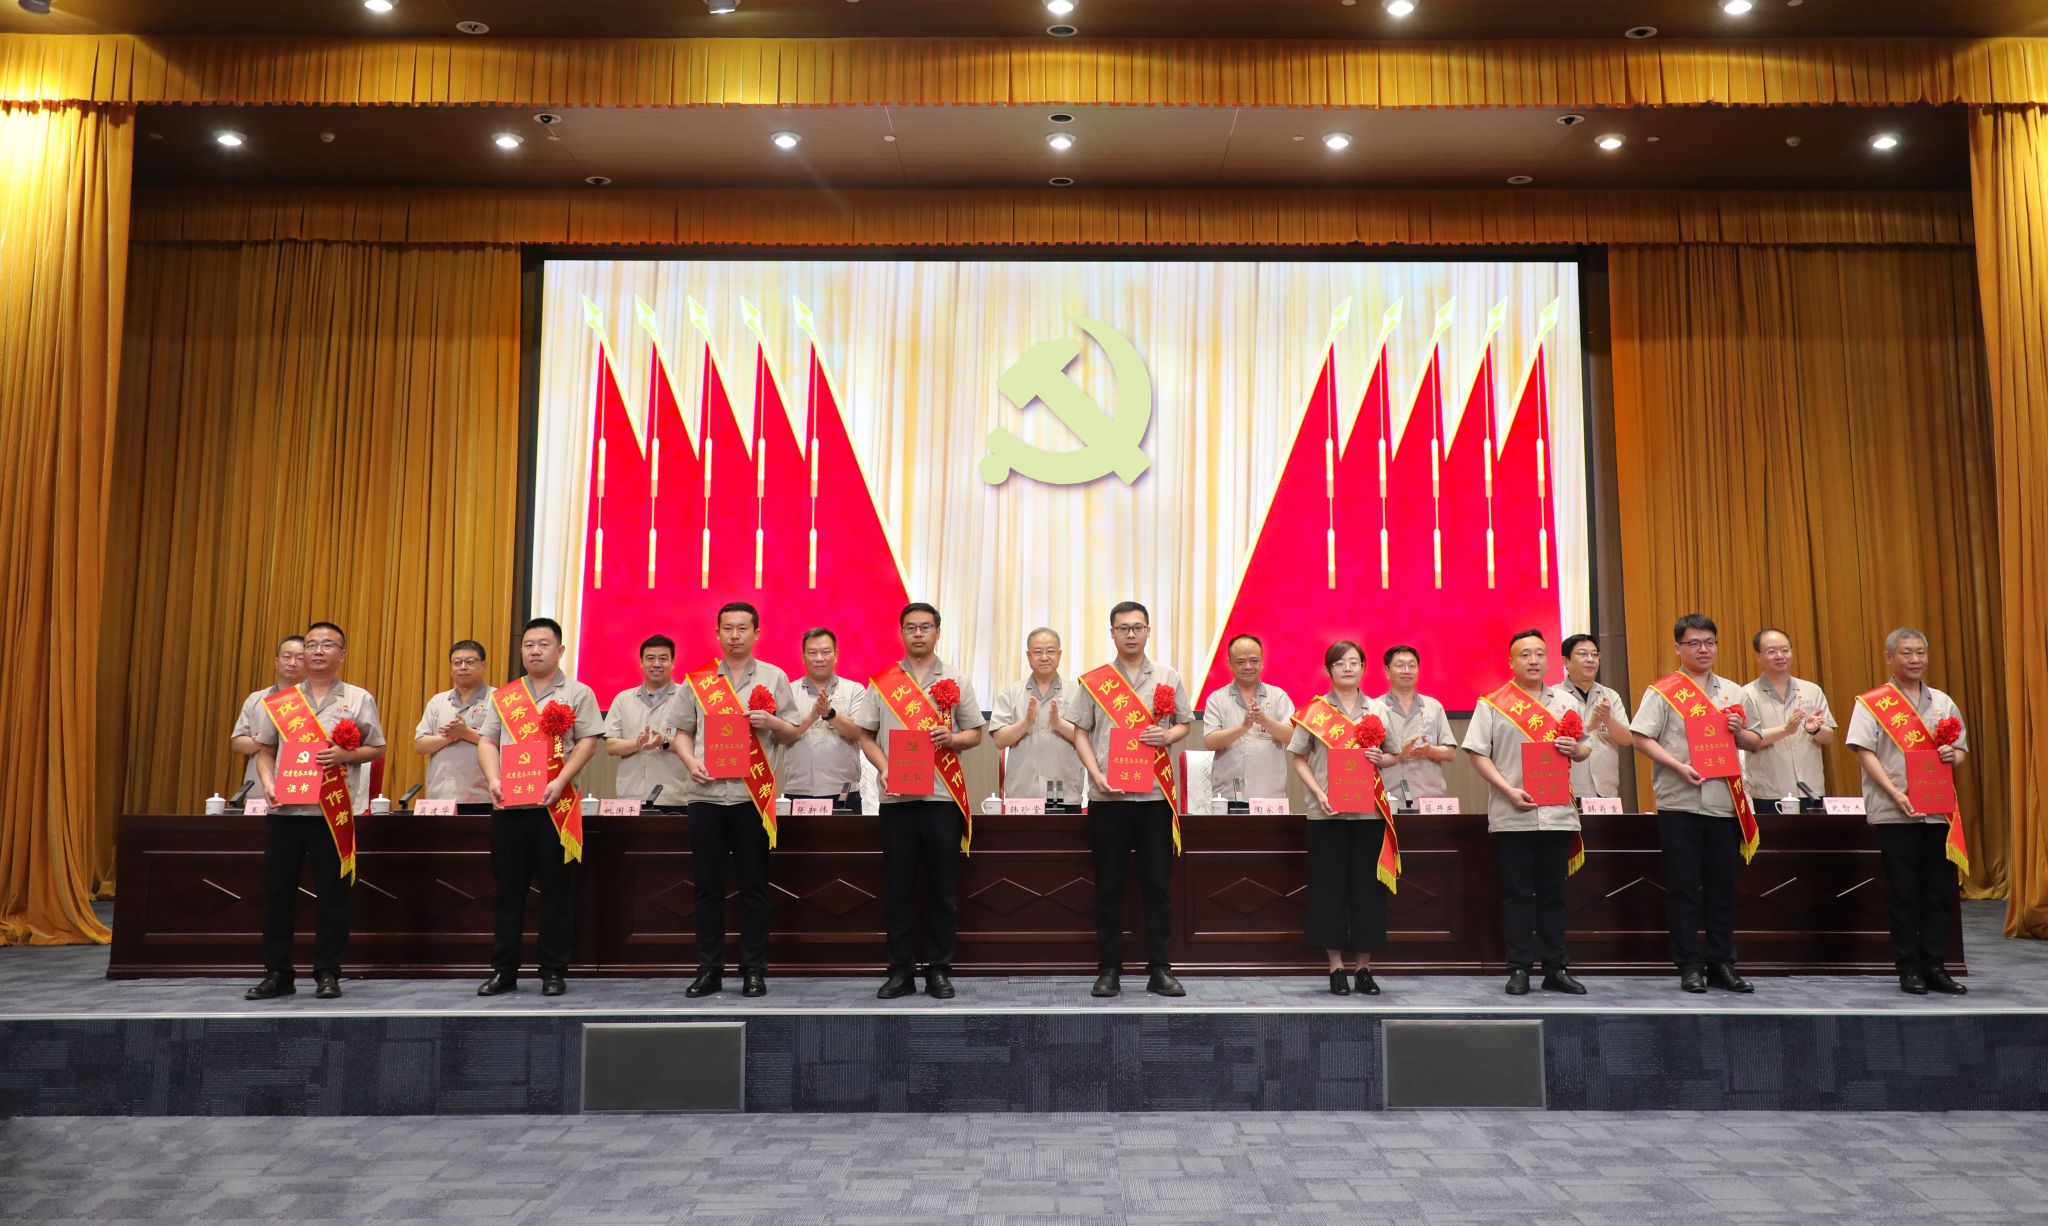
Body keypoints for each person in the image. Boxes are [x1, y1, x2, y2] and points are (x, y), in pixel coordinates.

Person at [245, 622, 385, 1000]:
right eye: (311, 645)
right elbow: (265, 752)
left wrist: (345, 754)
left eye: (327, 644)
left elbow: (377, 748)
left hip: (331, 813)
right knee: (278, 895)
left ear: (342, 654)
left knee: (332, 897)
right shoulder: (282, 702)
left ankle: (327, 972)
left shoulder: (358, 698)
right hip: (285, 813)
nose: (318, 651)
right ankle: (278, 974)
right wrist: (268, 783)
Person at [670, 602, 801, 999]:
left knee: (754, 887)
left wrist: (772, 722)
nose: (734, 635)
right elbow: (681, 731)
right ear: (717, 633)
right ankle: (709, 970)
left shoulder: (775, 677)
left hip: (751, 798)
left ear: (756, 633)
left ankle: (753, 970)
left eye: (742, 628)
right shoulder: (698, 680)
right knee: (707, 887)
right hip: (705, 795)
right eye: (727, 628)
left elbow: (792, 733)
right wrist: (689, 760)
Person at [1629, 614, 1764, 994]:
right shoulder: (1663, 692)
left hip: (1724, 805)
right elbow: (1640, 737)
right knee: (1683, 887)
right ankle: (1689, 965)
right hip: (1680, 803)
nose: (1703, 650)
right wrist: (1677, 765)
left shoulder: (1735, 692)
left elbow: (1755, 741)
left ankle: (1722, 963)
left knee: (1723, 887)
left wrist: (1740, 732)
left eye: (1709, 642)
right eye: (1694, 643)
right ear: (1678, 648)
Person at [858, 603, 985, 1000]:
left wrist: (953, 738)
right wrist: (883, 768)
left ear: (937, 632)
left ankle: (938, 970)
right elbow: (865, 735)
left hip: (941, 798)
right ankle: (900, 971)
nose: (918, 634)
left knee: (942, 888)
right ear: (901, 632)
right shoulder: (883, 682)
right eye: (911, 627)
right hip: (896, 799)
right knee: (898, 889)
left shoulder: (956, 679)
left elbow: (976, 734)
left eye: (925, 627)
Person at [1066, 601, 1193, 998]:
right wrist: (1096, 775)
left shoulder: (1168, 676)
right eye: (1124, 628)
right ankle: (1109, 969)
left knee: (1157, 885)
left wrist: (1167, 736)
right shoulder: (1095, 681)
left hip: (1154, 797)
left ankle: (1160, 968)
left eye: (1138, 627)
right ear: (1113, 633)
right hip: (1109, 798)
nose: (1131, 634)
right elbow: (1080, 732)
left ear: (1148, 631)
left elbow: (1185, 724)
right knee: (1109, 887)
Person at [475, 617, 605, 997]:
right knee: (508, 893)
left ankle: (553, 971)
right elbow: (487, 741)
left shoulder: (578, 693)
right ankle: (504, 971)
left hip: (555, 807)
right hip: (509, 808)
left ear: (560, 650)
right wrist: (493, 779)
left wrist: (560, 780)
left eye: (543, 644)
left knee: (556, 892)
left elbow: (588, 742)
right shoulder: (506, 697)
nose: (535, 651)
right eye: (529, 644)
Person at [1462, 629, 1592, 996]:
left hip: (1557, 813)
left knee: (1553, 895)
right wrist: (1507, 790)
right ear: (1511, 662)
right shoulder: (1492, 703)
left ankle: (1556, 968)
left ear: (1549, 660)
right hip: (1513, 813)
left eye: (1539, 654)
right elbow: (1477, 754)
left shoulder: (1566, 701)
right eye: (1525, 655)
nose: (1533, 660)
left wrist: (1575, 749)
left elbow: (1585, 748)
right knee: (1517, 895)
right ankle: (1519, 968)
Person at [1846, 627, 1971, 996]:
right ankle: (1908, 968)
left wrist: (1953, 755)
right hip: (1895, 811)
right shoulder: (1872, 703)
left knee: (1936, 893)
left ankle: (1935, 966)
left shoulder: (1943, 702)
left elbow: (1960, 750)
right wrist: (1894, 792)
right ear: (1889, 657)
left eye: (1920, 652)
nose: (1915, 660)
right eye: (1906, 653)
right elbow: (1863, 751)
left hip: (1938, 811)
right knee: (1904, 893)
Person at [1284, 640, 1389, 996]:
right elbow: (1299, 757)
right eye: (1340, 663)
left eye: (1354, 662)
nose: (1348, 668)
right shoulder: (1315, 711)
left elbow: (1393, 756)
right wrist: (1317, 793)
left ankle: (1364, 968)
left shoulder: (1378, 709)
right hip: (1325, 815)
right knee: (1328, 890)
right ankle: (1336, 967)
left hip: (1369, 815)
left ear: (1363, 668)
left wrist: (1382, 758)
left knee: (1367, 891)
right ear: (1328, 669)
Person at [987, 627, 1087, 806]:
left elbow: (1089, 740)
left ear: (1059, 654)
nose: (1044, 657)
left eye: (1051, 651)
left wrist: (1059, 725)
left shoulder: (1077, 692)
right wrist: (1026, 723)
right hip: (1023, 794)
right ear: (1028, 656)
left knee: (1060, 824)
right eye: (1038, 652)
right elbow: (1000, 740)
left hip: (1063, 791)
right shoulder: (1012, 692)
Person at [1741, 628, 1837, 809]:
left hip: (1811, 791)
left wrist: (1814, 730)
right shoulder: (1747, 694)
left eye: (1785, 650)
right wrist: (1785, 730)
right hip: (1769, 793)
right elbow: (1748, 741)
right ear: (1758, 657)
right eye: (1771, 651)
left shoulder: (1812, 690)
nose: (1780, 656)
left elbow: (1829, 737)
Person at [1202, 633, 1296, 807]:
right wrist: (1243, 727)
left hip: (1270, 797)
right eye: (1240, 661)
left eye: (1254, 660)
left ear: (1262, 661)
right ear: (1229, 663)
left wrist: (1264, 720)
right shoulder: (1216, 698)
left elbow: (1291, 736)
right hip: (1229, 797)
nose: (1248, 666)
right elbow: (1210, 741)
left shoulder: (1278, 696)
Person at [780, 627, 869, 808]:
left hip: (843, 791)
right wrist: (812, 717)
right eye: (812, 653)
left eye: (826, 652)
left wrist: (829, 714)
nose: (819, 658)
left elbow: (859, 732)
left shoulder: (854, 690)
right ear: (803, 656)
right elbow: (782, 736)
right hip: (798, 790)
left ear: (836, 655)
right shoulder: (789, 690)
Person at [604, 634, 687, 805]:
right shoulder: (623, 699)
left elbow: (694, 744)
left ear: (673, 663)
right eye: (650, 658)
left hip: (674, 797)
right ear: (641, 663)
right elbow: (611, 746)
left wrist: (663, 741)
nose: (656, 664)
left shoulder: (687, 697)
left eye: (663, 658)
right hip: (630, 797)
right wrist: (637, 744)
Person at [1371, 645, 1457, 805]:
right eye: (1400, 665)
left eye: (1412, 665)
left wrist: (1429, 750)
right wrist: (1398, 753)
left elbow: (1450, 753)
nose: (1406, 670)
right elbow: (1368, 757)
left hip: (1429, 798)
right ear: (1387, 671)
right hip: (1388, 797)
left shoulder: (1433, 706)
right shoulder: (1374, 708)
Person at [411, 639, 491, 804]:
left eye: (470, 662)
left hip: (483, 798)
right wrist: (450, 736)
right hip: (440, 796)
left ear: (484, 665)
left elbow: (505, 744)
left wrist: (466, 733)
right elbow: (419, 745)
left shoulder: (498, 699)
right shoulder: (438, 701)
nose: (463, 667)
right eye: (457, 663)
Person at [1554, 633, 1631, 799]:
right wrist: (1589, 726)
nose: (1590, 659)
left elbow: (1627, 739)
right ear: (1566, 661)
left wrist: (1608, 719)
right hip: (1569, 791)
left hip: (1606, 791)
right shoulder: (1554, 697)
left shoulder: (1610, 696)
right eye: (1582, 654)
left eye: (1594, 654)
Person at [230, 635, 305, 794]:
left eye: (300, 658)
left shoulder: (314, 701)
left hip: (300, 783)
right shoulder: (256, 699)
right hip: (260, 786)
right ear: (276, 662)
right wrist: (261, 741)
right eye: (287, 657)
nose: (292, 663)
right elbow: (236, 742)